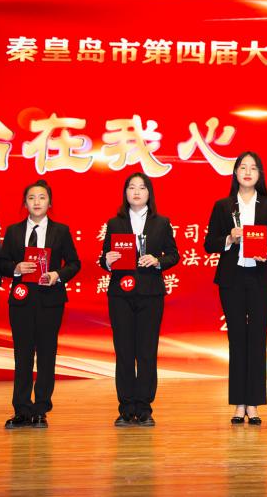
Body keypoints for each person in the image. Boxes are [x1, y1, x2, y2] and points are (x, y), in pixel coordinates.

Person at [203, 152, 267, 425]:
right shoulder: (223, 206)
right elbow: (209, 244)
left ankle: (254, 404)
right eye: (243, 167)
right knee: (237, 339)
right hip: (232, 279)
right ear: (236, 173)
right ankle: (239, 404)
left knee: (257, 339)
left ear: (260, 174)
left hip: (261, 278)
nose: (248, 172)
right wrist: (229, 238)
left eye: (253, 168)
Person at [0, 179, 81, 429]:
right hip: (21, 299)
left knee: (46, 354)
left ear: (49, 203)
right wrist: (16, 268)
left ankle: (41, 409)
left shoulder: (60, 231)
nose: (36, 202)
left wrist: (57, 275)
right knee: (22, 355)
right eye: (31, 198)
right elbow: (0, 263)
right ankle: (21, 409)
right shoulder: (13, 231)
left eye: (42, 197)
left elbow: (74, 263)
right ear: (25, 203)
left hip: (50, 300)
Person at [99, 172, 180, 427]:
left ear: (149, 193)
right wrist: (107, 261)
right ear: (125, 193)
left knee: (146, 351)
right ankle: (125, 408)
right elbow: (104, 258)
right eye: (131, 187)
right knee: (124, 351)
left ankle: (144, 408)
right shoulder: (115, 223)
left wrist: (157, 261)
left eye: (142, 188)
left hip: (150, 294)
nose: (136, 192)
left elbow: (174, 255)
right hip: (120, 295)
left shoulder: (161, 223)